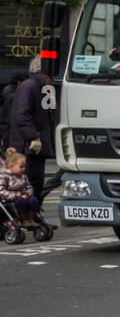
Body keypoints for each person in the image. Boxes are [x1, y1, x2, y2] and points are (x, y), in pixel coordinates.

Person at [8, 57, 54, 211]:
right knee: (28, 183)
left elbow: (50, 114)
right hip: (28, 147)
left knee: (36, 183)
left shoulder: (46, 87)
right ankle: (26, 216)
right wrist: (33, 136)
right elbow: (21, 116)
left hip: (38, 147)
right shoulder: (29, 86)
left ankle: (34, 214)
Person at [1, 147, 40, 225]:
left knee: (33, 200)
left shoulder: (23, 176)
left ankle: (30, 219)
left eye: (24, 166)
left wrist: (27, 194)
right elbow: (1, 191)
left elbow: (29, 187)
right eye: (21, 167)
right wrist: (15, 195)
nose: (24, 169)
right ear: (11, 166)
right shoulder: (4, 176)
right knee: (21, 201)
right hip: (10, 201)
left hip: (22, 197)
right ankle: (24, 220)